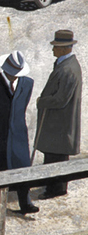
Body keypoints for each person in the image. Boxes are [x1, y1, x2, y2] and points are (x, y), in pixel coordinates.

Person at [0, 50, 38, 215]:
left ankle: (25, 202)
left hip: (18, 133)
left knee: (22, 168)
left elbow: (23, 105)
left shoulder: (28, 83)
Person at [36, 30, 82, 200]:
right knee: (54, 155)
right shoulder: (65, 64)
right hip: (58, 122)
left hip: (60, 123)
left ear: (64, 49)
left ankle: (56, 189)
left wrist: (42, 101)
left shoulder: (68, 69)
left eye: (56, 47)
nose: (53, 50)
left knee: (56, 156)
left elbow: (61, 99)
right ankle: (53, 186)